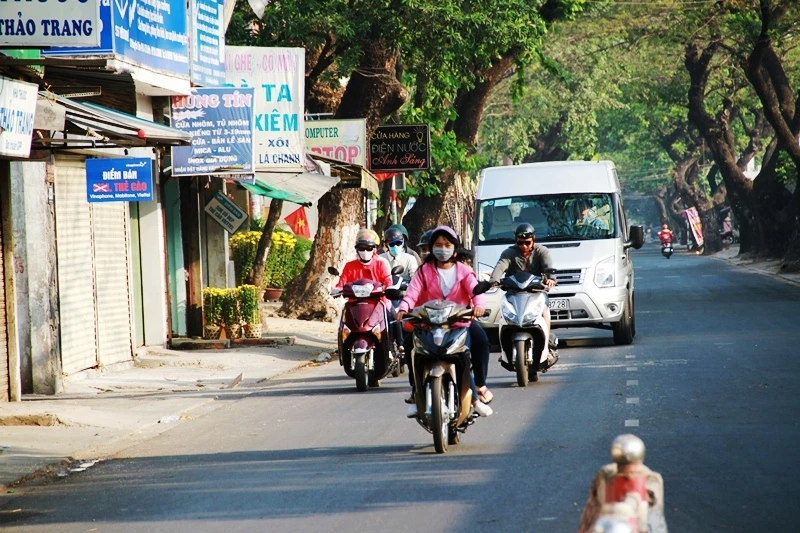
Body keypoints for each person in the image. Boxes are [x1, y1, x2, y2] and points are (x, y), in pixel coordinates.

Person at [395, 226, 493, 418]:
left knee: (480, 342)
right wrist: (403, 309)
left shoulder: (465, 271)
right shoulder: (424, 271)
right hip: (428, 323)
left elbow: (476, 292)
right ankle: (416, 393)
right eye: (438, 245)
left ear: (454, 249)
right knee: (409, 347)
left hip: (459, 322)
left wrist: (478, 307)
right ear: (432, 248)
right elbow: (412, 293)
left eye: (447, 245)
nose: (443, 248)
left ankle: (478, 390)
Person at [490, 223, 557, 330]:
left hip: (537, 292)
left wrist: (550, 279)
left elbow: (548, 266)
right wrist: (494, 280)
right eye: (520, 243)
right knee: (503, 315)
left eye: (527, 243)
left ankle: (547, 340)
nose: (524, 246)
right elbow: (500, 266)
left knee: (543, 311)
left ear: (533, 239)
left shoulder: (542, 251)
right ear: (516, 240)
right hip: (513, 294)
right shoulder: (509, 253)